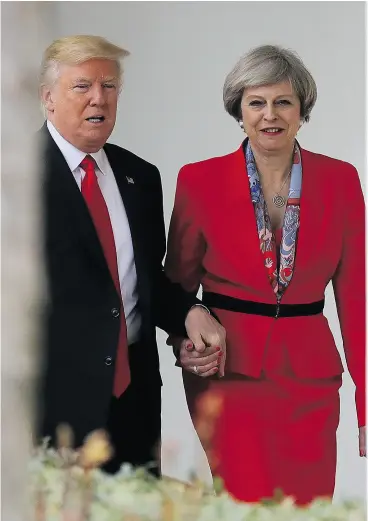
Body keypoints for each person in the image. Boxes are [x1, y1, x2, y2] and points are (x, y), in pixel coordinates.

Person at [165, 44, 366, 504]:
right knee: (241, 504)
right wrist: (183, 343)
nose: (269, 115)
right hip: (228, 377)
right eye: (257, 102)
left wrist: (365, 399)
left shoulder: (341, 180)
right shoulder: (199, 181)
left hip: (310, 380)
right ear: (239, 109)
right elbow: (175, 287)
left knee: (310, 509)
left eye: (283, 102)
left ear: (302, 110)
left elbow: (356, 300)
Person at [36, 34, 226, 475]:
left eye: (109, 86)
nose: (98, 98)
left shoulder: (139, 176)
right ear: (47, 98)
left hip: (134, 403)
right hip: (52, 409)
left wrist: (190, 311)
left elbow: (143, 280)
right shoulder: (16, 178)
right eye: (82, 86)